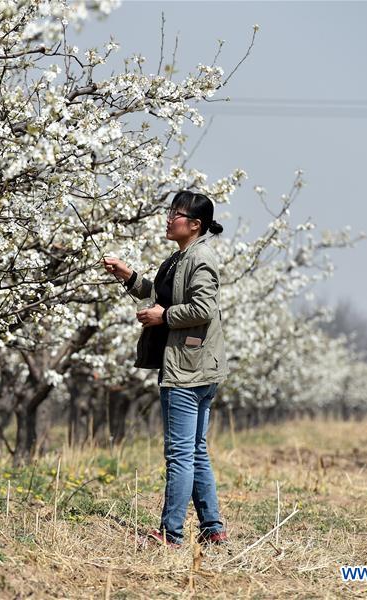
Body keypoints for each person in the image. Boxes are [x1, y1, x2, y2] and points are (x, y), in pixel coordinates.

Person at [103, 190, 228, 548]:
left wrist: (163, 317)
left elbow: (202, 308)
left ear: (195, 224)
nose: (169, 218)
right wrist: (128, 276)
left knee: (179, 453)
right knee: (196, 450)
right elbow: (162, 295)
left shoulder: (200, 258)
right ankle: (213, 528)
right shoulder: (180, 258)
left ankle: (171, 535)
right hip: (197, 367)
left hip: (186, 370)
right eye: (170, 211)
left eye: (176, 213)